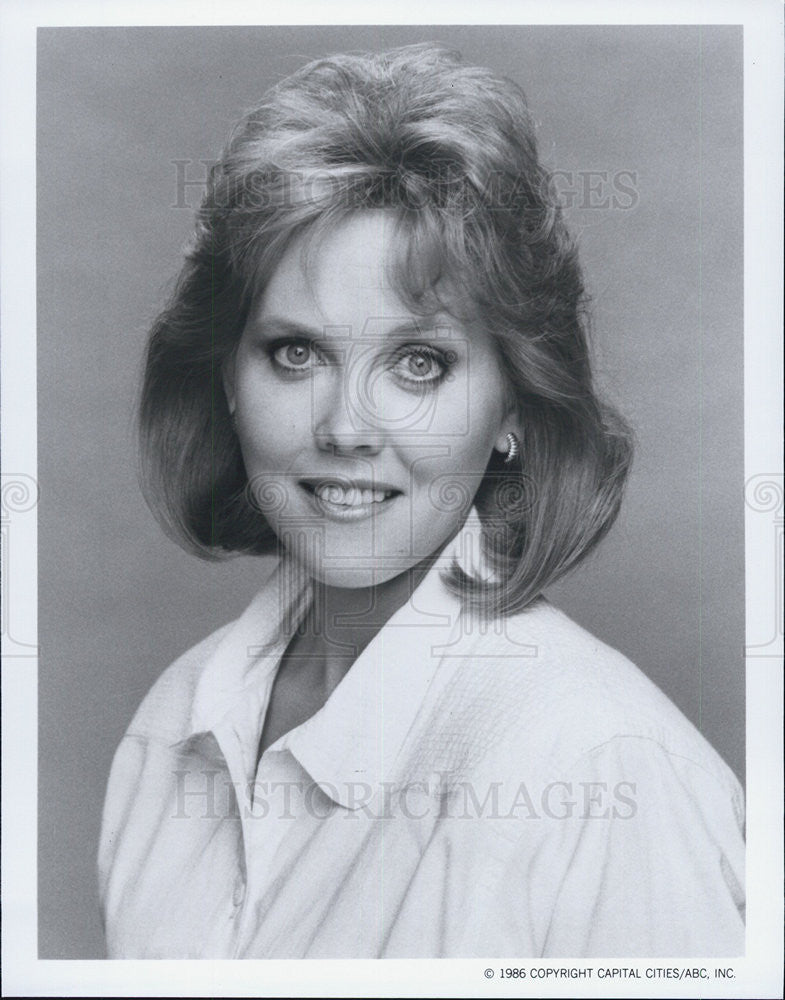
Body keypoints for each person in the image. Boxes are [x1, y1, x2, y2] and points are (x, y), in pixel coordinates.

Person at [98, 43, 745, 958]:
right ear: (227, 380)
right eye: (297, 353)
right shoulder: (174, 724)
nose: (347, 428)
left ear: (513, 403)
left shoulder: (604, 771)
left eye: (418, 363)